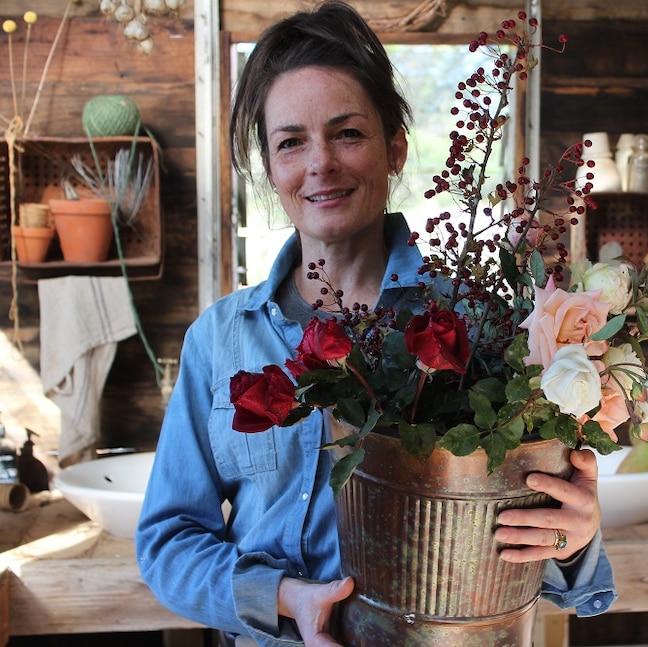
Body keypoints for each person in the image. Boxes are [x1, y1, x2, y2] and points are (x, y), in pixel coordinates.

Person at [135, 2, 617, 645]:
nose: (320, 164)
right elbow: (169, 542)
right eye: (290, 142)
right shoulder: (219, 340)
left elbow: (538, 536)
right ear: (271, 169)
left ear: (395, 149)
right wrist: (283, 597)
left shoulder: (479, 325)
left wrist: (571, 538)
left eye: (348, 134)